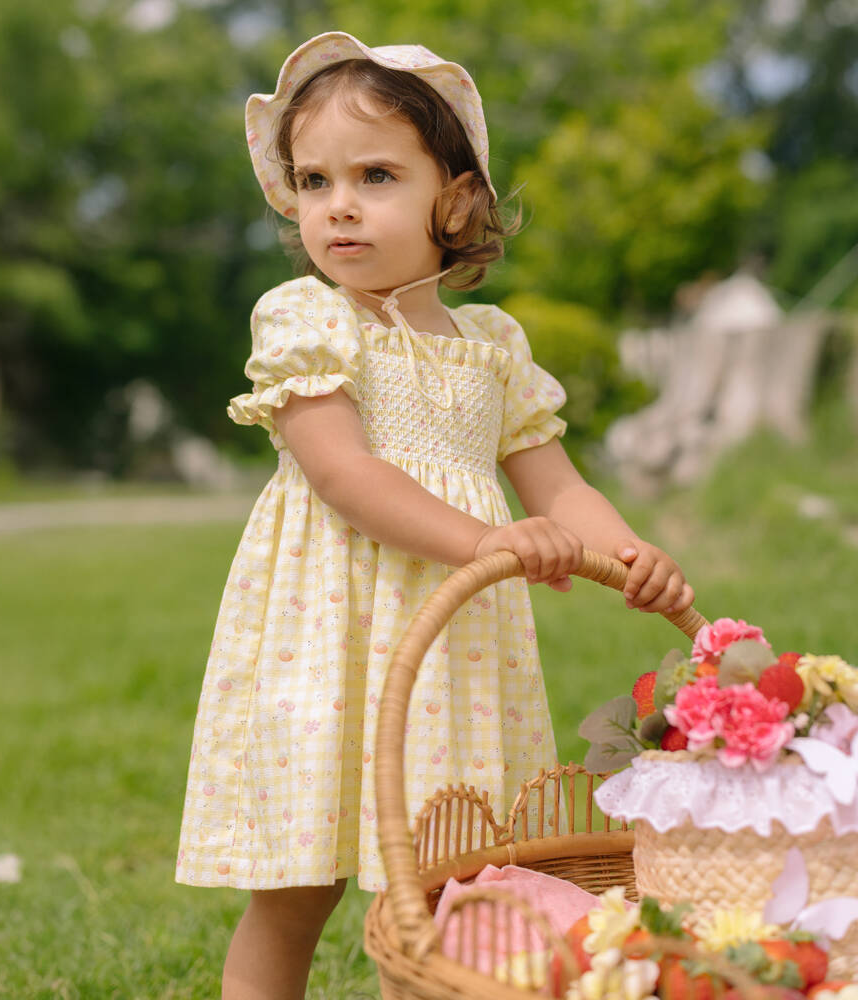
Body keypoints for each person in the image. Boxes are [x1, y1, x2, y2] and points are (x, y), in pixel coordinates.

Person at [175, 31, 694, 1000]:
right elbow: (345, 475)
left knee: (455, 875)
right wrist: (488, 541)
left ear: (452, 197)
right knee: (296, 886)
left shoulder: (492, 344)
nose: (338, 204)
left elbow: (558, 487)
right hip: (329, 636)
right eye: (313, 179)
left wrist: (625, 554)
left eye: (375, 174)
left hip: (453, 647)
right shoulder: (308, 320)